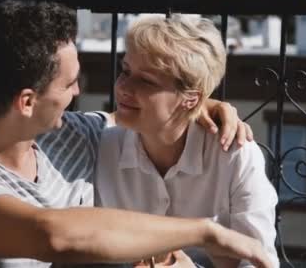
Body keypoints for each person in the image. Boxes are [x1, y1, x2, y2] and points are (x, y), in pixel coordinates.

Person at [0, 0, 271, 268]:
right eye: (69, 83)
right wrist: (206, 232)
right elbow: (53, 236)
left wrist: (201, 105)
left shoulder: (73, 135)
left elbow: (143, 116)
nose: (79, 91)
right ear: (28, 102)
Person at [95, 15, 279, 268]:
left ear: (192, 99)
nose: (123, 86)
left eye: (146, 80)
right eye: (125, 71)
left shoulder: (235, 155)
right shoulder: (99, 146)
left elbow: (261, 262)